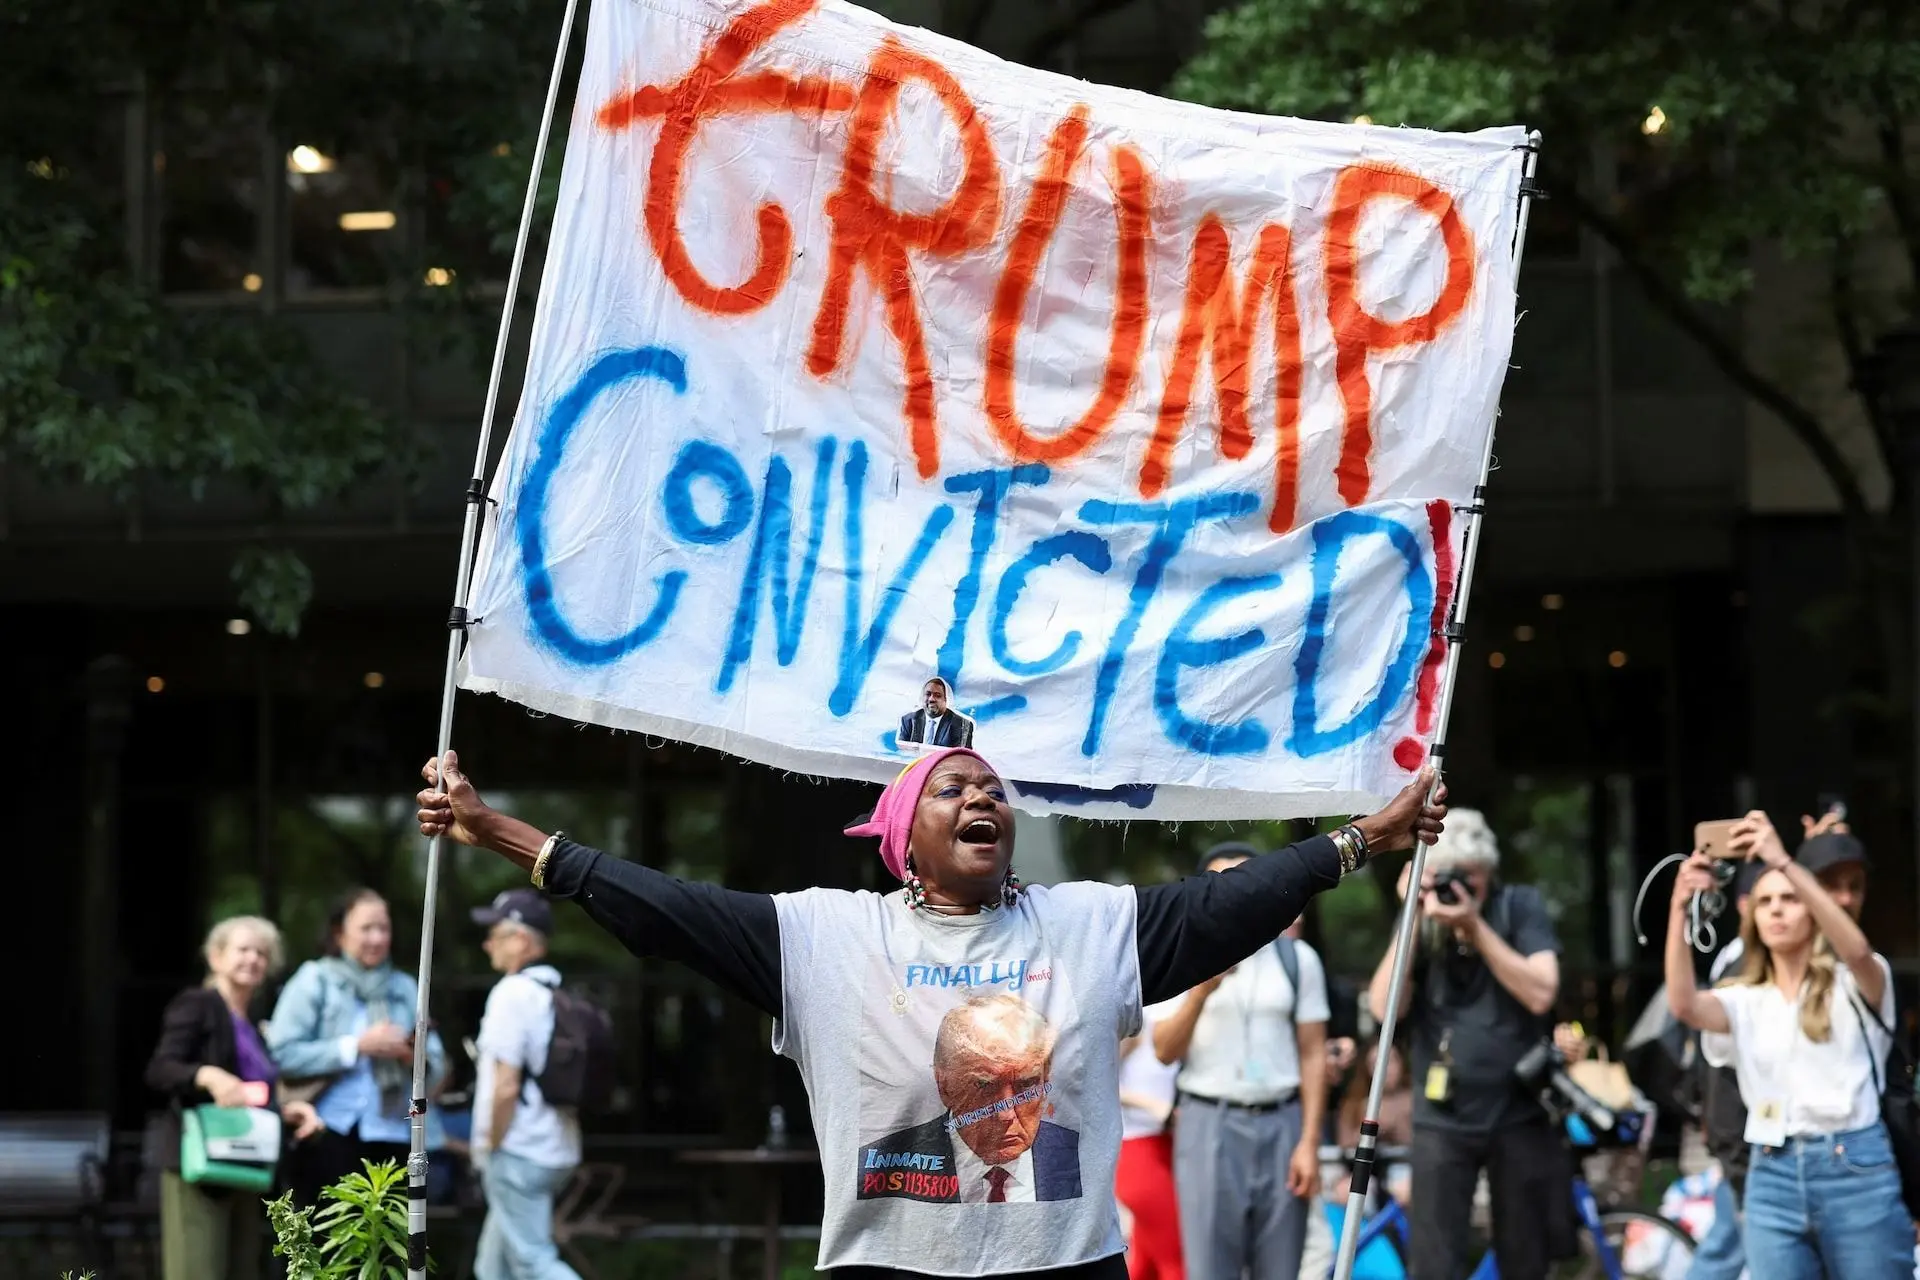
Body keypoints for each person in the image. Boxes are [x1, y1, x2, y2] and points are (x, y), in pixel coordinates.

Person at [416, 747, 1447, 1279]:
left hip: (1064, 1267)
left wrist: (1364, 838)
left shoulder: (1085, 924)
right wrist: (498, 831)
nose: (981, 798)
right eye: (952, 790)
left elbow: (1233, 904)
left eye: (991, 789)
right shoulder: (827, 936)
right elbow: (661, 905)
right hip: (889, 1267)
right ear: (906, 838)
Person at [1665, 811, 1911, 1279]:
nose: (1777, 910)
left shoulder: (1855, 981)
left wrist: (1783, 861)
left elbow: (1857, 951)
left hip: (1853, 1165)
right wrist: (1680, 907)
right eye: (1765, 901)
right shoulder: (1745, 998)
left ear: (1814, 911)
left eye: (1791, 899)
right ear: (1752, 916)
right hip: (1771, 1168)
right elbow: (1684, 1005)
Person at [1367, 808, 1564, 1280]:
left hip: (1518, 1111)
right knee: (1434, 1263)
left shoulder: (1517, 905)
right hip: (1442, 1118)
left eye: (1470, 877)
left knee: (1525, 1260)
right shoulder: (1422, 916)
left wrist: (1475, 926)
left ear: (1489, 873)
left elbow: (1542, 992)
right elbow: (1383, 1007)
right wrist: (1412, 913)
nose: (1458, 888)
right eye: (1448, 875)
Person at [1153, 843, 1330, 1280]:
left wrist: (1309, 1143)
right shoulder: (1183, 955)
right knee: (1210, 1266)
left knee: (1282, 1265)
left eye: (1245, 880)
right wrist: (1201, 992)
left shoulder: (1296, 958)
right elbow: (1164, 1050)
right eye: (1222, 883)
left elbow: (1313, 1054)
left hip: (1282, 1122)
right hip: (1209, 1121)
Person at [145, 915, 325, 1280]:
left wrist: (285, 1112)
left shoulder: (253, 1021)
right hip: (200, 1165)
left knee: (242, 1270)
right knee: (199, 1271)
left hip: (245, 1164)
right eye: (243, 950)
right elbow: (161, 1069)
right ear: (216, 957)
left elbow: (249, 1092)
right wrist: (206, 1075)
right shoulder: (198, 1004)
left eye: (261, 953)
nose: (253, 959)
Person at [266, 887, 448, 1208]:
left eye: (384, 928)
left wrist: (410, 1057)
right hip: (326, 1130)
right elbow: (282, 1054)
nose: (377, 938)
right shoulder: (315, 979)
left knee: (389, 1235)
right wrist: (357, 1047)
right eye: (366, 928)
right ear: (339, 933)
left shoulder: (405, 987)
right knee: (326, 1231)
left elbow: (438, 1066)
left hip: (395, 1133)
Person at [469, 887, 584, 1280]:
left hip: (518, 1151)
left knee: (534, 1263)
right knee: (492, 1267)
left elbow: (506, 1086)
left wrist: (490, 1146)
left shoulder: (511, 994)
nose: (487, 945)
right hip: (556, 1146)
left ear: (520, 939)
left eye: (494, 935)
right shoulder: (552, 991)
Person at [1115, 998, 1183, 1280]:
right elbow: (1096, 1082)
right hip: (1138, 1147)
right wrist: (1154, 1107)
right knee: (1176, 1259)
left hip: (1170, 1144)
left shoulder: (1182, 1001)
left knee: (1146, 1265)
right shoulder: (1135, 1008)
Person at [899, 676, 975, 749]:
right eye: (928, 694)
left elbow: (960, 756)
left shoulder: (962, 725)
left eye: (937, 696)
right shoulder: (908, 720)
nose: (931, 699)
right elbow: (902, 752)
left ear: (946, 699)